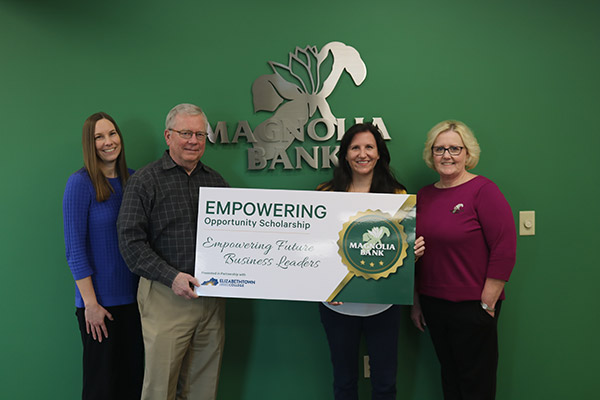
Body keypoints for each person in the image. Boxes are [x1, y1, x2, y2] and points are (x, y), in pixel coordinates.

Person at [117, 103, 229, 400]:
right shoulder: (145, 181)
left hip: (211, 300)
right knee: (159, 388)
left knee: (203, 386)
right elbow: (130, 243)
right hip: (166, 297)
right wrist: (172, 277)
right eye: (185, 133)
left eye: (200, 134)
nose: (193, 140)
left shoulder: (216, 182)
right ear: (168, 136)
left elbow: (237, 238)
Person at [410, 120, 516, 400]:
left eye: (455, 148)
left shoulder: (484, 190)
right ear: (431, 155)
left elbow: (504, 248)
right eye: (439, 149)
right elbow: (417, 254)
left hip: (474, 304)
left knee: (476, 383)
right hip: (434, 303)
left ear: (468, 153)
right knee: (450, 377)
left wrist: (487, 302)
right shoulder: (424, 195)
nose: (447, 155)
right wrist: (417, 301)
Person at [317, 122, 424, 400]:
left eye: (369, 147)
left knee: (386, 384)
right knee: (343, 383)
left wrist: (412, 252)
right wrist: (324, 286)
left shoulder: (398, 197)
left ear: (379, 154)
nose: (362, 154)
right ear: (345, 154)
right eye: (355, 147)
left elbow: (400, 255)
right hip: (337, 307)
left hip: (383, 304)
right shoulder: (326, 194)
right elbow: (317, 250)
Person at [63, 112, 144, 400]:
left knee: (134, 386)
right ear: (90, 143)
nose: (108, 142)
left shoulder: (135, 180)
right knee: (103, 390)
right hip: (100, 308)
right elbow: (74, 250)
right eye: (99, 137)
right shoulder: (80, 183)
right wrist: (91, 305)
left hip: (139, 303)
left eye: (112, 133)